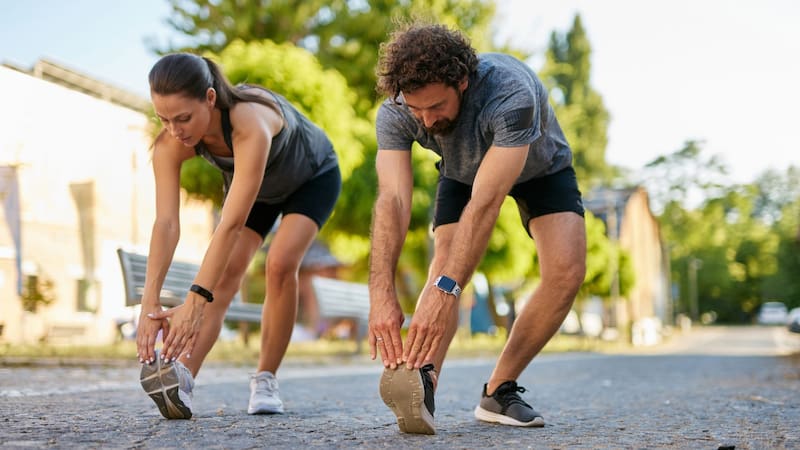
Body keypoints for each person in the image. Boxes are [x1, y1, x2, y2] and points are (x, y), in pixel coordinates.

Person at [368, 23, 587, 434]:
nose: (426, 120)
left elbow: (486, 202)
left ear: (463, 82)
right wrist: (380, 293)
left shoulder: (510, 93)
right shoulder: (397, 110)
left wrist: (446, 289)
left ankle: (498, 390)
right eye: (416, 110)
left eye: (435, 107)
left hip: (542, 167)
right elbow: (392, 200)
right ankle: (424, 379)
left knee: (566, 273)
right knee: (442, 265)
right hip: (462, 170)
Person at [136, 53, 341, 419]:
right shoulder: (169, 144)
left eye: (184, 118)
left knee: (279, 264)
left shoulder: (249, 121)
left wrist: (195, 299)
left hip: (312, 177)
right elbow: (166, 223)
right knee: (226, 275)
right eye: (164, 119)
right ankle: (181, 378)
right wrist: (148, 304)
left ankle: (266, 378)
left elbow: (230, 223)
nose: (175, 130)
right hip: (259, 190)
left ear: (210, 99)